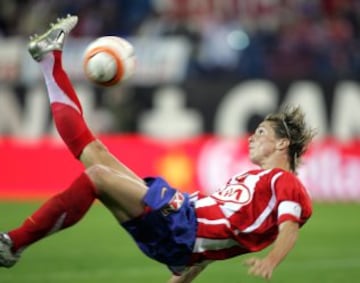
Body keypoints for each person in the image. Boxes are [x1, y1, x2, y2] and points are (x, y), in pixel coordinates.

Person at [0, 15, 316, 282]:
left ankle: (13, 244)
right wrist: (182, 276)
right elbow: (213, 243)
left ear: (282, 143)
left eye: (260, 132)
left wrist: (272, 261)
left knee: (97, 174)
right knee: (95, 152)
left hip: (181, 224)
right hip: (181, 228)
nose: (251, 137)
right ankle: (48, 58)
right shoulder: (249, 183)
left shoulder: (284, 182)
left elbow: (289, 227)